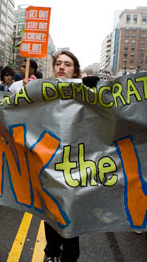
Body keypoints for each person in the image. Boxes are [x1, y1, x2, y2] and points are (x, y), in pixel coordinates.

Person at [44, 51, 83, 261]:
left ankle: (69, 257)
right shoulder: (41, 93)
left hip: (75, 167)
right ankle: (51, 252)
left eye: (67, 64)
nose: (61, 67)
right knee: (49, 213)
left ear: (74, 70)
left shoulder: (85, 94)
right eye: (58, 63)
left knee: (71, 217)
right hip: (48, 165)